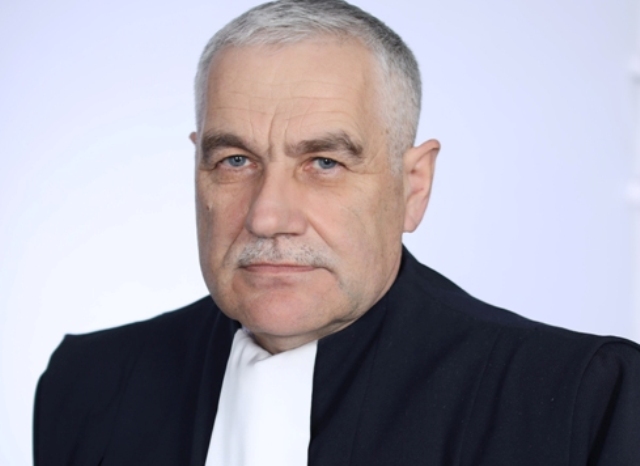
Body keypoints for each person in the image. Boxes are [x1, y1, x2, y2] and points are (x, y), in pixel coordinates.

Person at [33, 1, 640, 465]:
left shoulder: (583, 400)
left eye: (324, 162)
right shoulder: (89, 385)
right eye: (235, 160)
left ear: (413, 186)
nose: (268, 216)